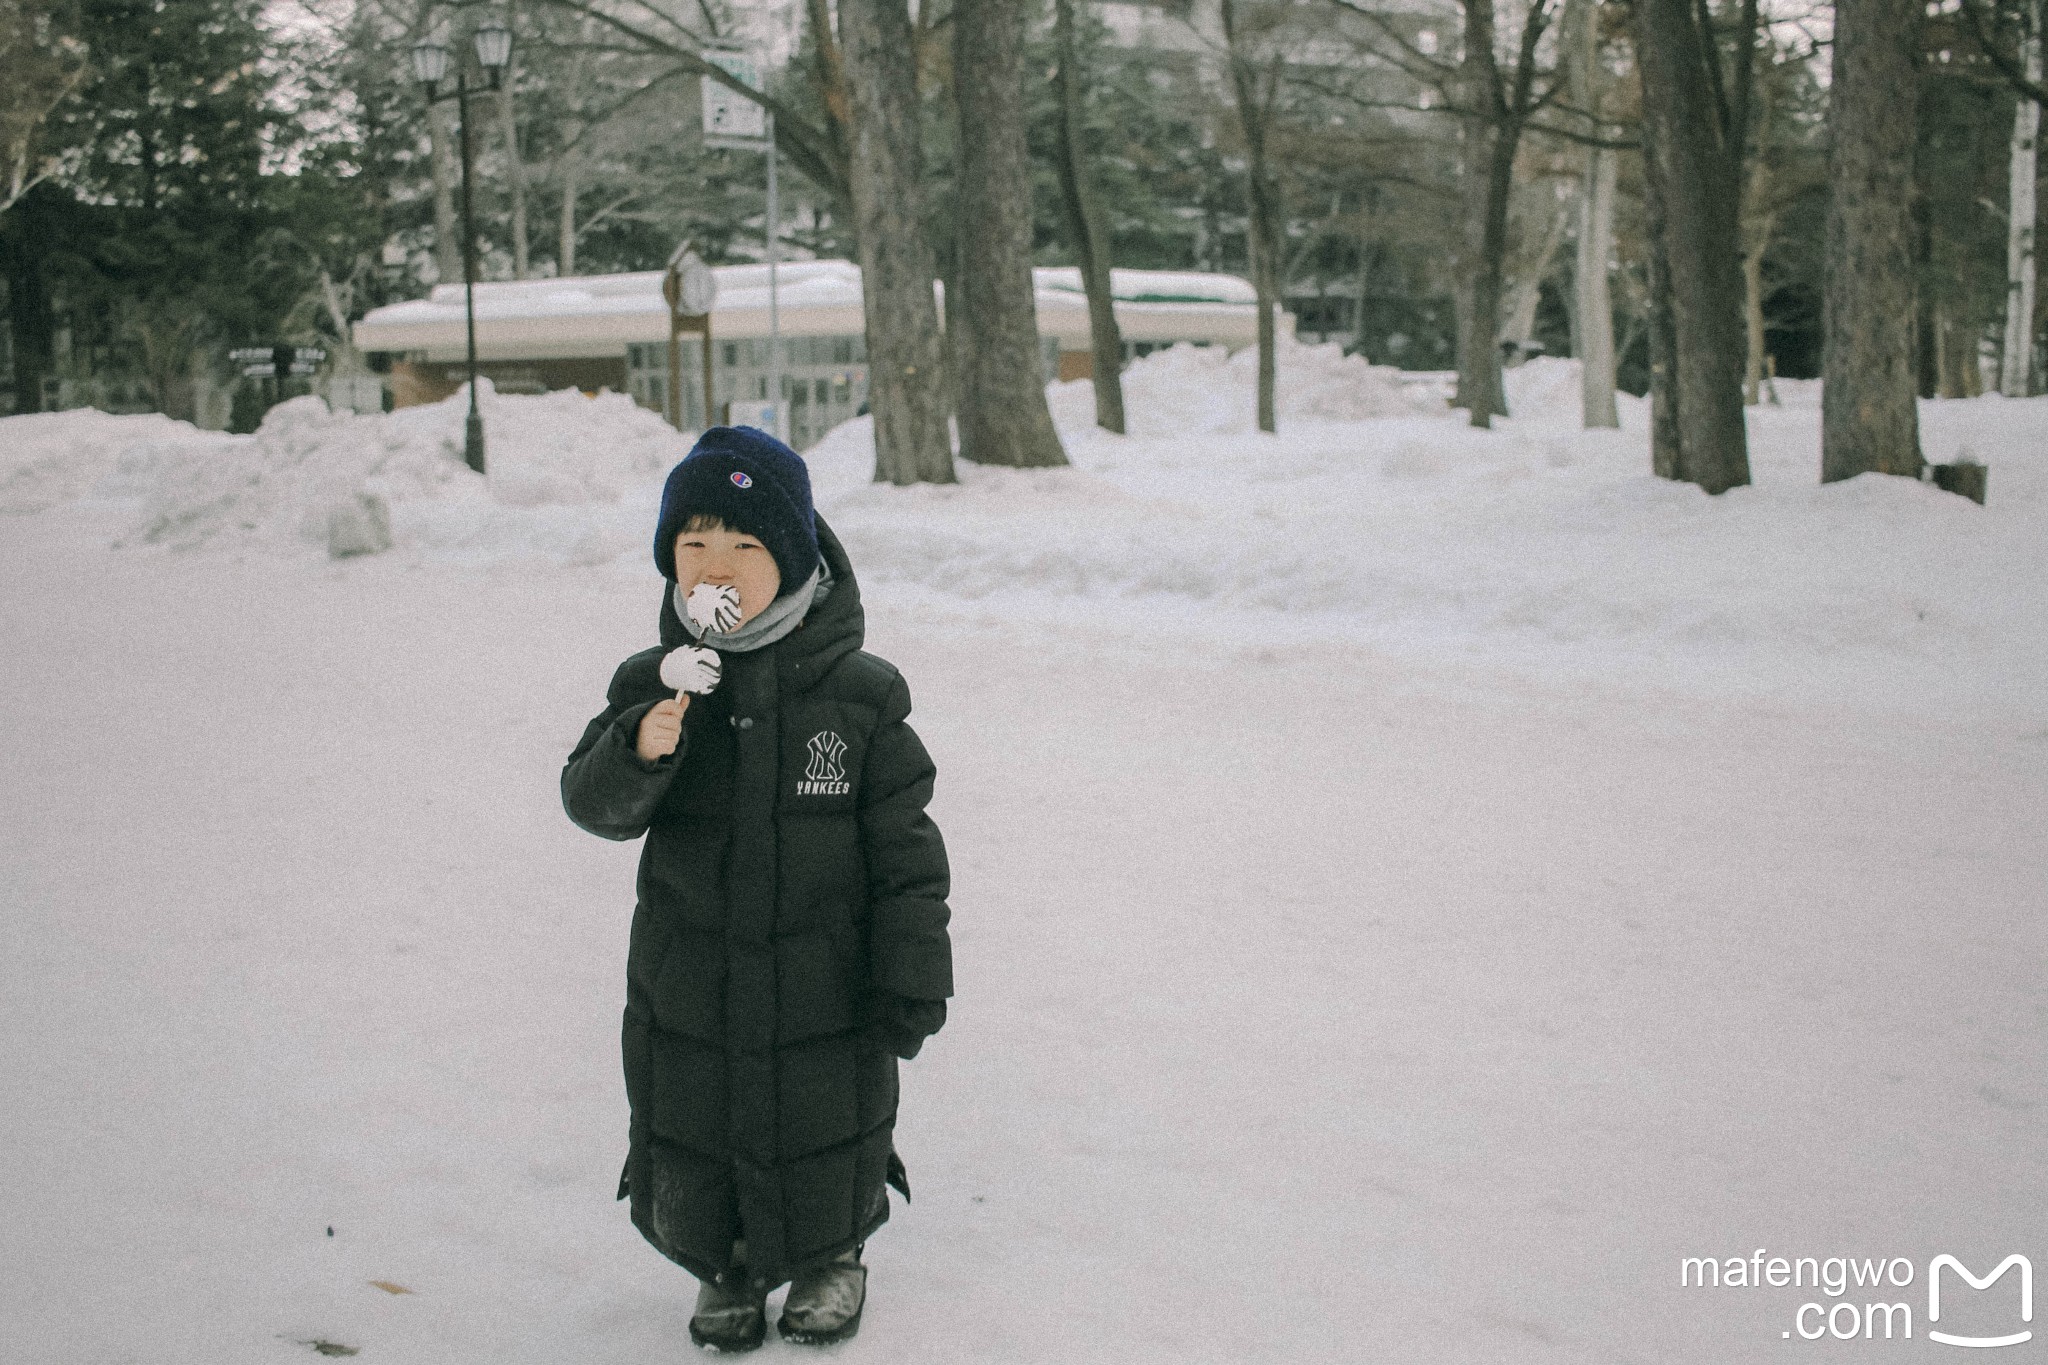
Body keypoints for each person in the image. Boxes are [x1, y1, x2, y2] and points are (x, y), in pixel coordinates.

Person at [561, 426, 953, 1351]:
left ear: (793, 559)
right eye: (693, 547)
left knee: (826, 1111)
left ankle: (832, 1253)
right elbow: (593, 805)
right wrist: (641, 745)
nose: (716, 569)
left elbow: (908, 852)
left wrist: (912, 972)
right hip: (690, 973)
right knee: (698, 1111)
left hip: (826, 978)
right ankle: (723, 1262)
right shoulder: (649, 687)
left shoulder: (861, 697)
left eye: (744, 547)